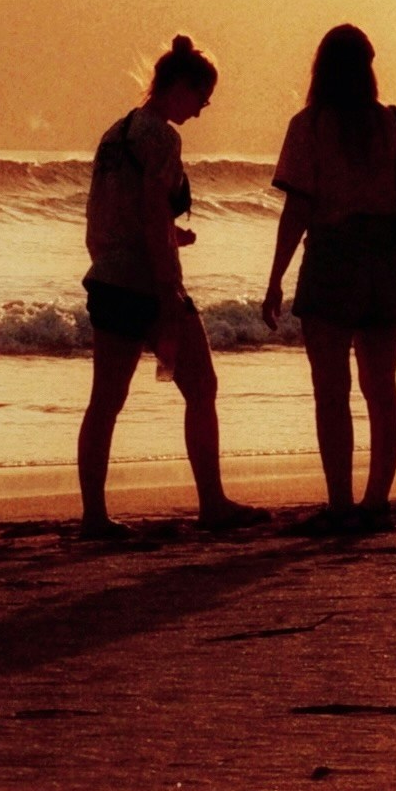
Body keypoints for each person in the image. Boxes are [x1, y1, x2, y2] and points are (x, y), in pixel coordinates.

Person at [77, 32, 264, 541]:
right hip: (149, 284)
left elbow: (109, 215)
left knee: (105, 402)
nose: (202, 111)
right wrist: (167, 290)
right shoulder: (161, 136)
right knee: (201, 388)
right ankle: (212, 504)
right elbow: (153, 208)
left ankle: (94, 516)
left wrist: (160, 239)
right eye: (201, 99)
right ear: (179, 86)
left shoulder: (115, 134)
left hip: (110, 278)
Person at [263, 22, 396, 528]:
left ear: (320, 67)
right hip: (386, 261)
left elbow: (298, 209)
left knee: (331, 390)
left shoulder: (310, 125)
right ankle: (376, 503)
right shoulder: (393, 123)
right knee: (381, 387)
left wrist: (276, 277)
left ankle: (341, 505)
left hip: (332, 258)